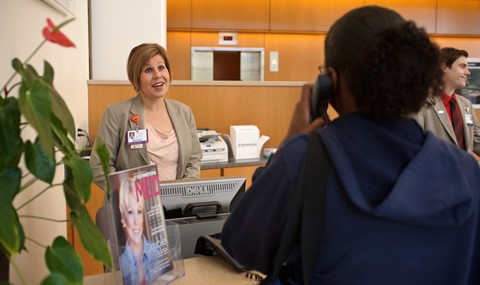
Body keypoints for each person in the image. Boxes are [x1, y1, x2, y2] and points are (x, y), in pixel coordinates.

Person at [221, 5, 480, 285]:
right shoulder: (466, 170)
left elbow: (241, 247)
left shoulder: (303, 158)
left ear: (330, 82)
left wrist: (288, 145)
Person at [89, 43, 202, 189]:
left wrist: (184, 192)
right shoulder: (116, 114)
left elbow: (193, 160)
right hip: (135, 207)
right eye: (148, 70)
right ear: (136, 78)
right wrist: (132, 194)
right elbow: (99, 167)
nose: (157, 75)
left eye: (161, 67)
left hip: (177, 206)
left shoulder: (184, 112)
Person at [412, 47, 480, 156]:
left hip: (462, 171)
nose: (468, 73)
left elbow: (476, 140)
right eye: (463, 66)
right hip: (436, 171)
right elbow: (414, 145)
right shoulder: (420, 103)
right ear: (444, 67)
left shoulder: (465, 104)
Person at [118, 177, 164, 285]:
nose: (136, 221)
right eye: (130, 212)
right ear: (123, 218)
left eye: (139, 211)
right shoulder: (121, 262)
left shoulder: (156, 251)